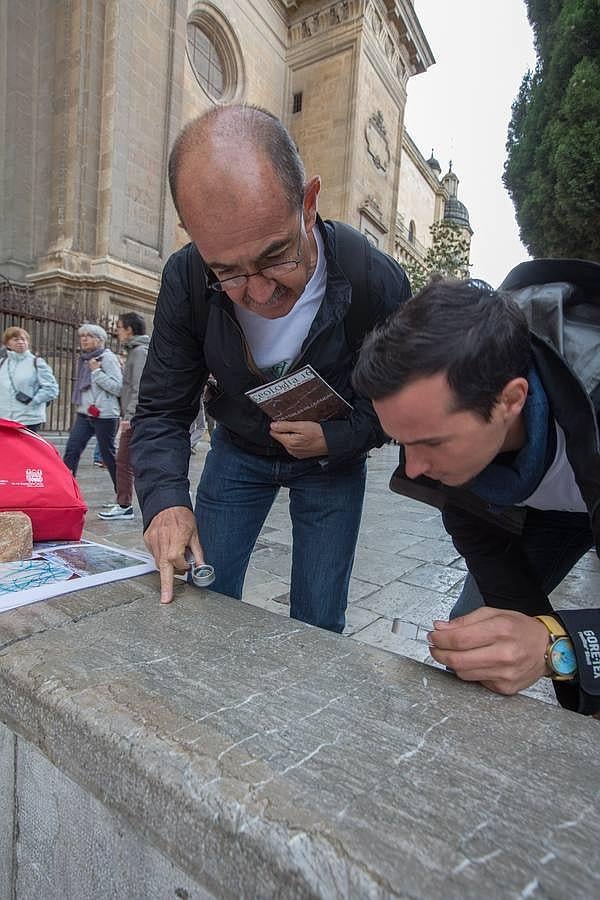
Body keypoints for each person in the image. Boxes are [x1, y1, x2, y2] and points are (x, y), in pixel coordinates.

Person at [131, 104, 411, 629]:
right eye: (227, 272)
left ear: (308, 205)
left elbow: (399, 409)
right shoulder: (187, 277)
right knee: (199, 600)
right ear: (192, 236)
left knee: (320, 617)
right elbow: (162, 409)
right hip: (237, 450)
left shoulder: (375, 280)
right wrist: (165, 500)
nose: (258, 293)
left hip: (332, 466)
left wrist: (338, 439)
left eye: (277, 255)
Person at [352, 276, 600, 716]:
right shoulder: (442, 446)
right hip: (544, 516)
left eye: (432, 442)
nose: (412, 469)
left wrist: (558, 645)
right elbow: (488, 551)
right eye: (400, 442)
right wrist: (531, 639)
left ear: (511, 400)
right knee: (480, 645)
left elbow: (557, 646)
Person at [98, 313, 149, 520]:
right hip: (136, 415)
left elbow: (139, 386)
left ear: (129, 329)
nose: (117, 331)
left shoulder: (139, 353)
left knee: (125, 461)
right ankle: (124, 503)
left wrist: (129, 416)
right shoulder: (136, 351)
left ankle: (125, 505)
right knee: (127, 461)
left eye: (119, 327)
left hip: (136, 417)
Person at [63, 324, 122, 491]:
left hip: (105, 415)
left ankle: (123, 496)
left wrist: (96, 372)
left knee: (107, 455)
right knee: (71, 451)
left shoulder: (107, 358)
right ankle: (66, 491)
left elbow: (118, 387)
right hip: (84, 413)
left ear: (100, 339)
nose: (84, 339)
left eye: (88, 336)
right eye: (82, 336)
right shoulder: (84, 360)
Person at [0, 327, 59, 431]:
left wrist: (34, 401)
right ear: (7, 344)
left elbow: (51, 389)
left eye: (23, 339)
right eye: (16, 339)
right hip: (4, 419)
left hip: (28, 419)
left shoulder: (36, 362)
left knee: (22, 447)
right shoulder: (2, 363)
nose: (21, 342)